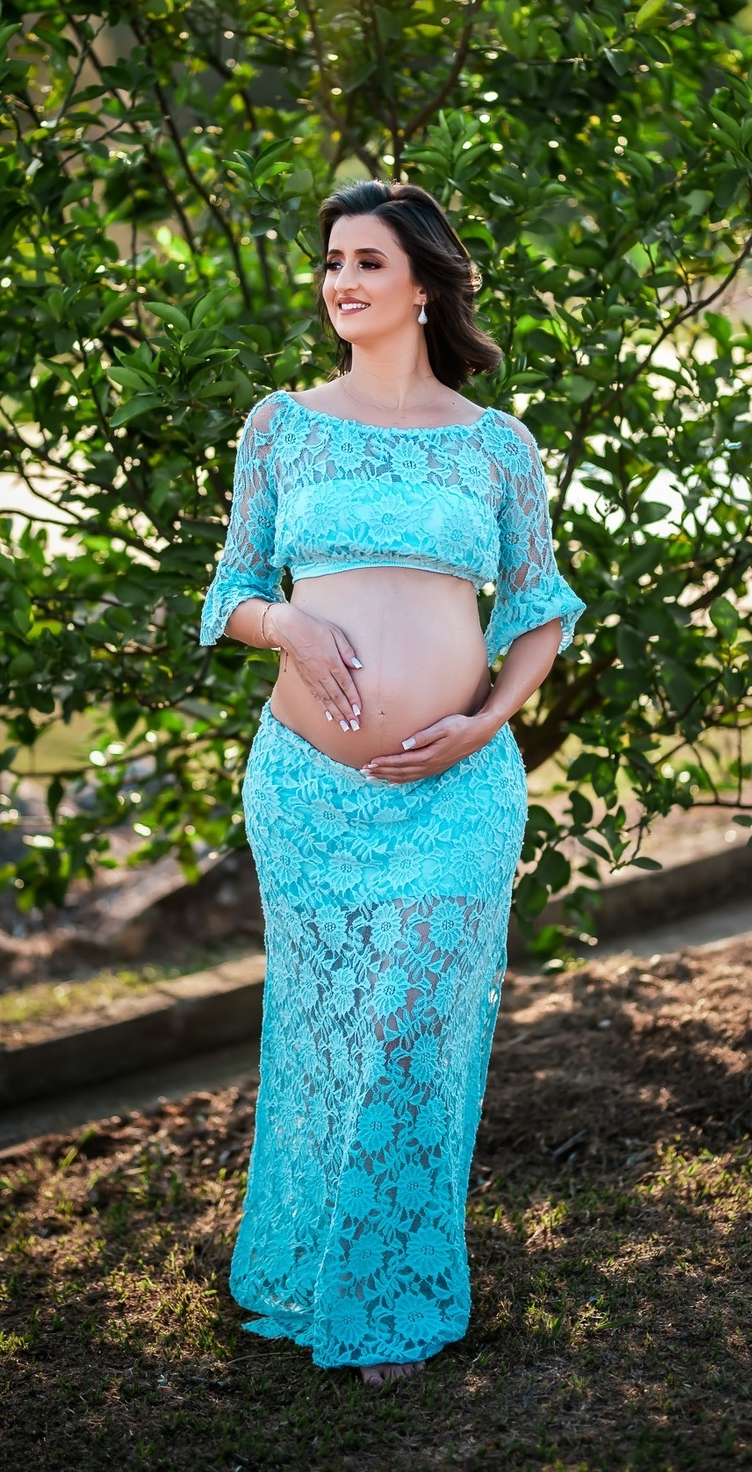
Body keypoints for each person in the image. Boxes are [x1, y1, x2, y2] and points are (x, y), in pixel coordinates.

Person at [199, 179, 586, 1386]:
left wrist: (486, 725)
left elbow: (541, 614)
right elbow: (230, 591)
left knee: (417, 1029)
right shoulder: (281, 426)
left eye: (367, 261)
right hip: (305, 788)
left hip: (457, 794)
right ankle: (309, 1266)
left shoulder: (494, 445)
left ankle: (384, 1296)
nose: (341, 282)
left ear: (423, 284)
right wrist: (291, 631)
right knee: (325, 1035)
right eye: (329, 263)